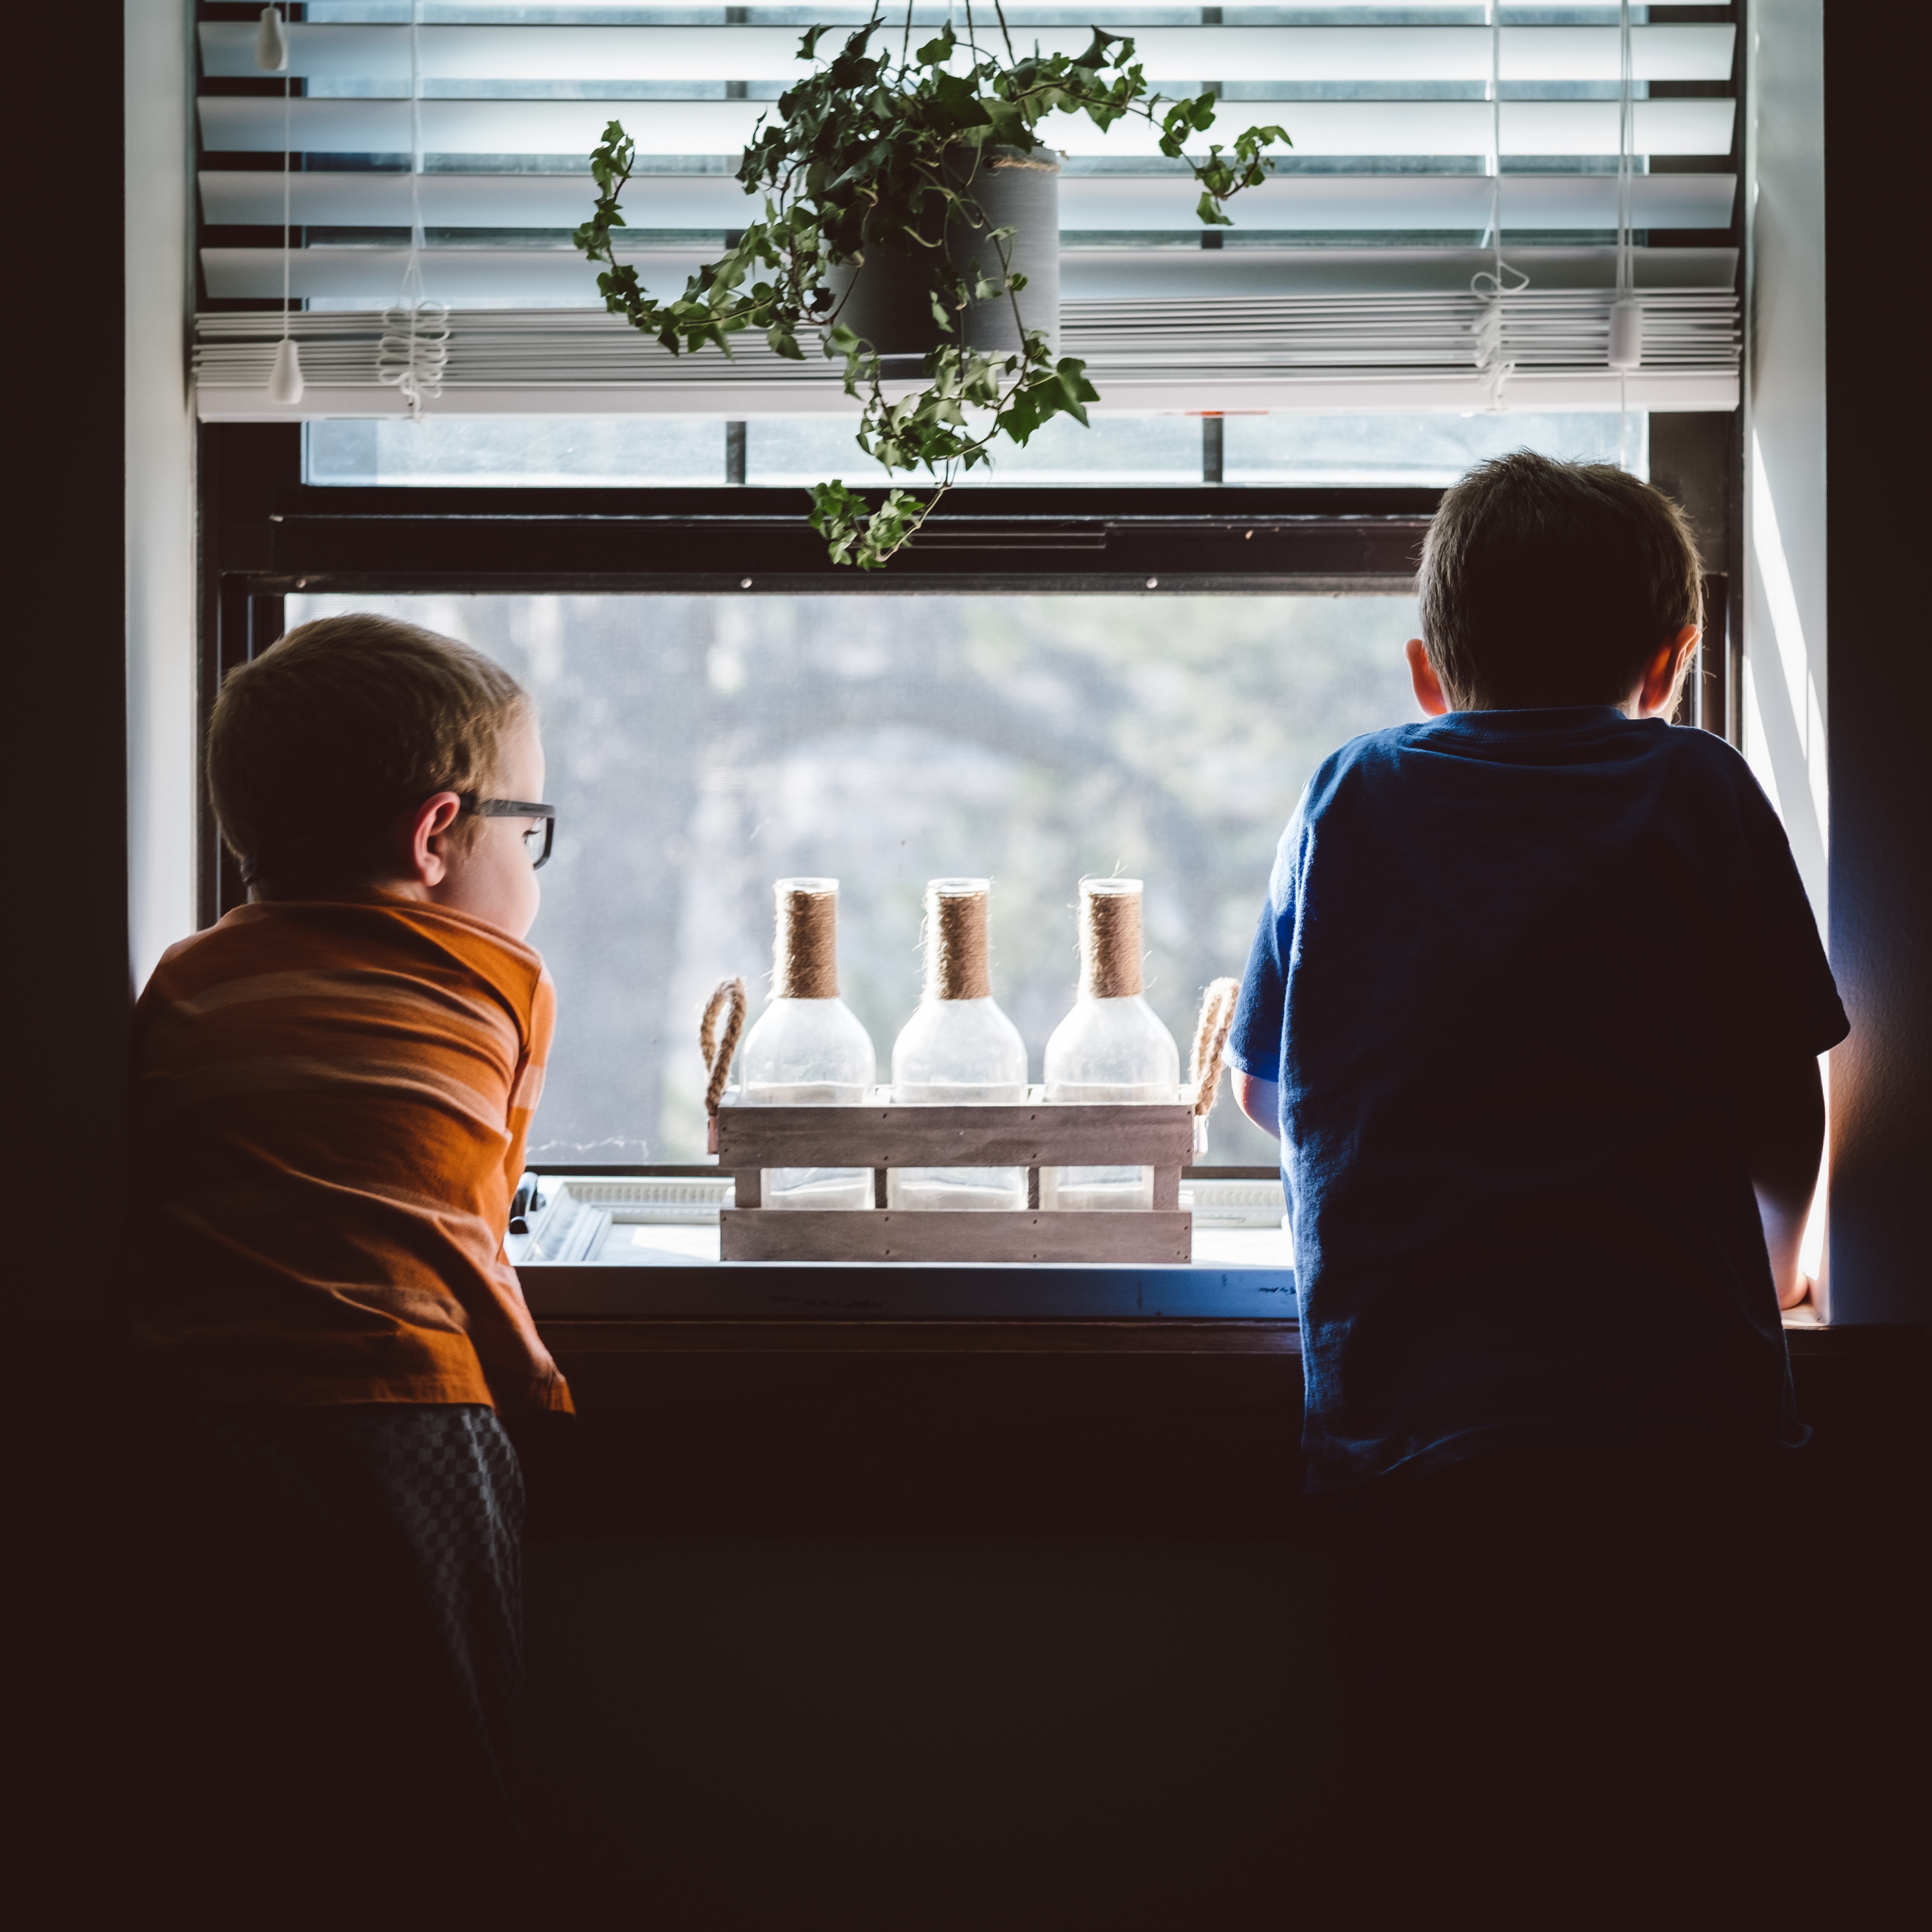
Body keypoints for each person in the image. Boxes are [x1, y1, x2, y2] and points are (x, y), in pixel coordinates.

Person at [1226, 453, 1848, 1925]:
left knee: (1444, 1815)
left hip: (1416, 1430)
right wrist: (1771, 1276)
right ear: (1674, 658)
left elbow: (1264, 1086)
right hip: (1676, 1424)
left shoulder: (1352, 792)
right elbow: (1783, 1094)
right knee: (1684, 1815)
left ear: (1427, 670)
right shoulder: (1701, 783)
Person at [116, 613, 570, 1924]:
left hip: (187, 1409)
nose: (531, 876)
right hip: (402, 1412)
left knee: (237, 1775)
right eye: (526, 832)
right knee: (437, 1764)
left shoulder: (185, 982)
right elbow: (473, 1200)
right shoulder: (500, 981)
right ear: (438, 837)